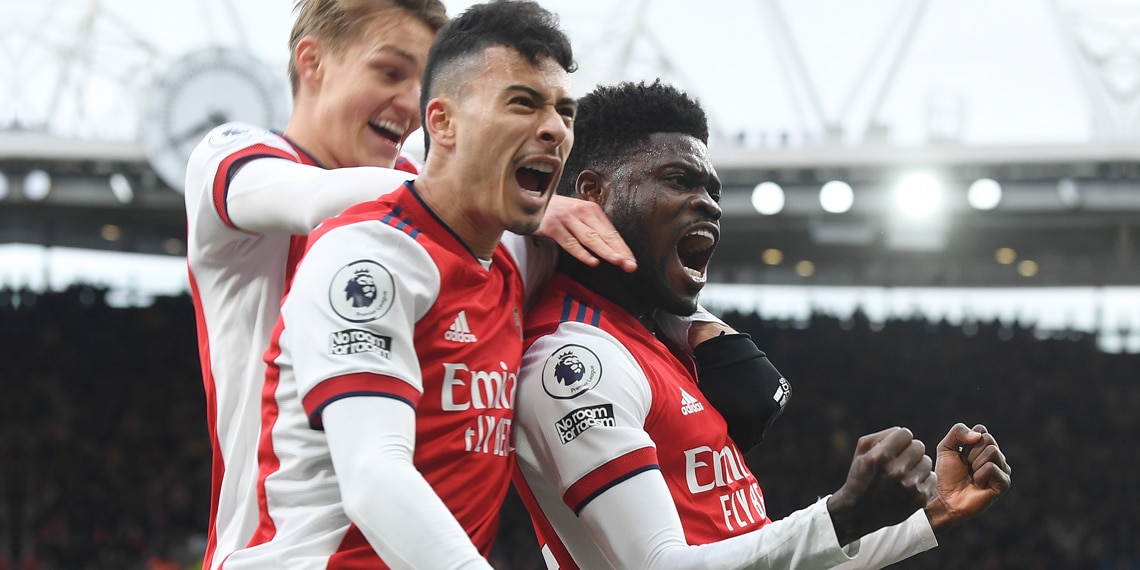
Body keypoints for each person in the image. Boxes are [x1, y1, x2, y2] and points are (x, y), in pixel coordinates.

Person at [182, 1, 634, 567]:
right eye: (390, 72)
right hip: (278, 543)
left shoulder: (456, 221)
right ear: (313, 60)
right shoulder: (237, 154)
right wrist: (479, 187)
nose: (410, 104)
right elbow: (309, 198)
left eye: (422, 82)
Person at [511, 81, 1013, 569]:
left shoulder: (660, 342)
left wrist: (931, 515)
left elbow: (758, 553)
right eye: (679, 180)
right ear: (594, 193)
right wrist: (840, 515)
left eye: (713, 190)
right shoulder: (575, 360)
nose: (709, 203)